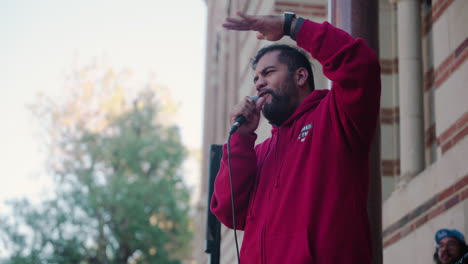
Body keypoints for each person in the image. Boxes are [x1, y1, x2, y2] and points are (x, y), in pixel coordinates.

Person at [210, 12, 381, 263]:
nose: (259, 83)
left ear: (300, 76)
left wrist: (292, 26)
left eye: (268, 73)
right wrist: (241, 140)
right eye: (256, 78)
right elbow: (228, 211)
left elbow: (360, 64)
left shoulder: (336, 117)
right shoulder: (258, 153)